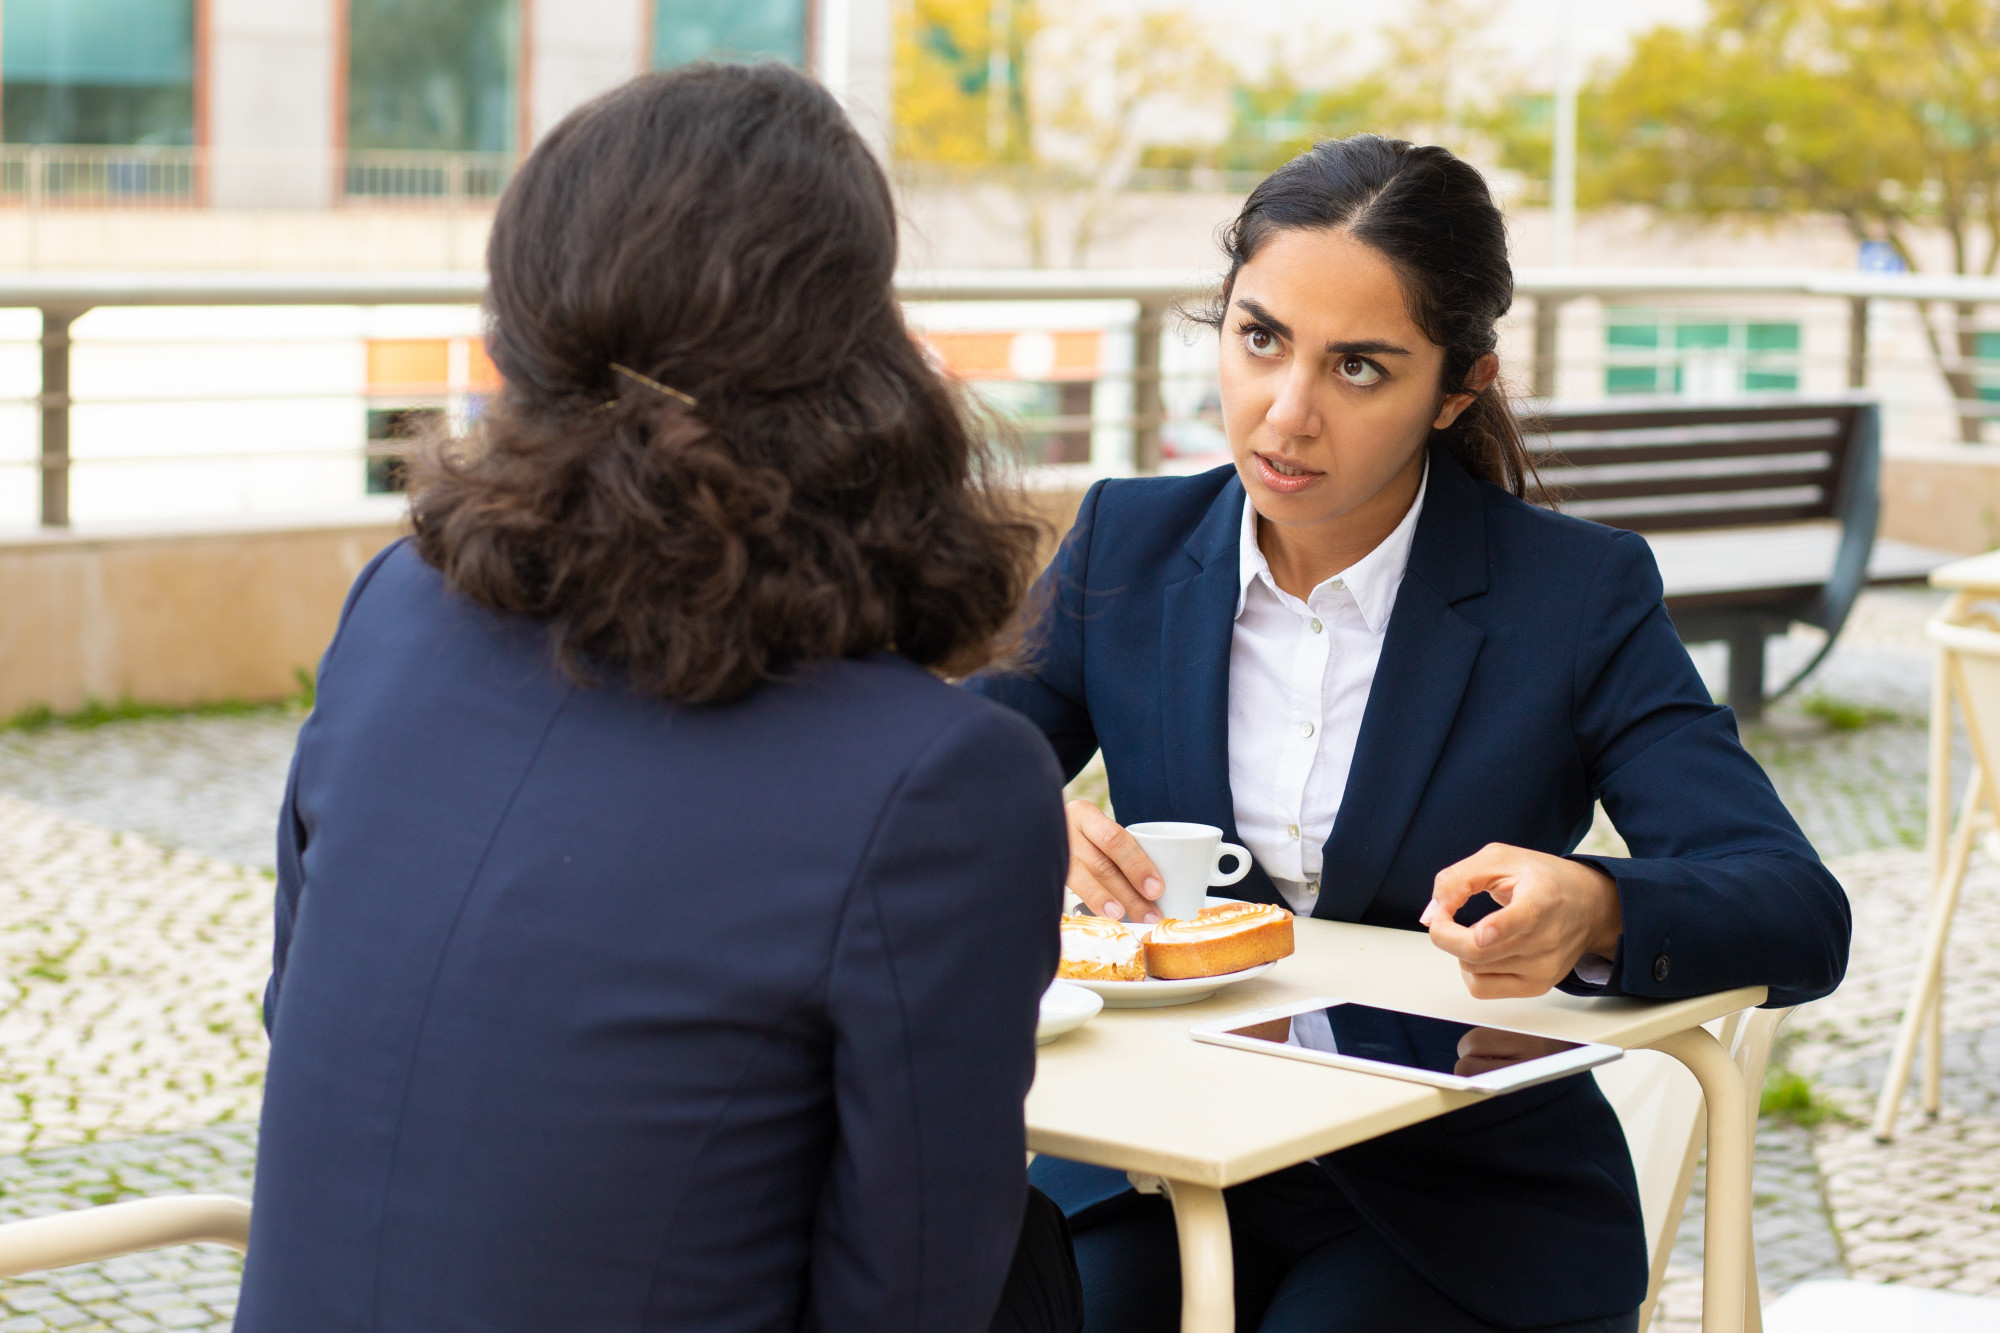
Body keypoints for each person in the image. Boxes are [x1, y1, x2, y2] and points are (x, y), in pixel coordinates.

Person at [237, 65, 1081, 1332]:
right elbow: (910, 1294)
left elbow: (298, 1006)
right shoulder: (936, 780)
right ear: (858, 359)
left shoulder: (395, 610)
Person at [969, 135, 1851, 1333]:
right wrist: (1018, 823)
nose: (1286, 412)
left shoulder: (1570, 595)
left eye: (1360, 368)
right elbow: (932, 783)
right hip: (1158, 1163)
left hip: (1460, 1202)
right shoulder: (1125, 547)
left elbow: (1795, 908)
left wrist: (1596, 907)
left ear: (1455, 387)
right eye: (1259, 337)